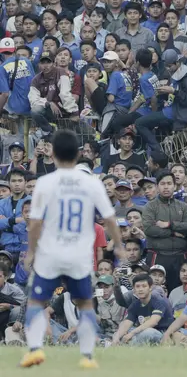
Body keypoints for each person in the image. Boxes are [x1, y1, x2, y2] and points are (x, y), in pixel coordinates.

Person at [18, 130, 124, 369]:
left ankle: (35, 350)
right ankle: (87, 356)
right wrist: (118, 245)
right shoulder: (91, 183)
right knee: (85, 303)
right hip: (79, 255)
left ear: (52, 154)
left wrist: (32, 251)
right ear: (78, 154)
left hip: (50, 253)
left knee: (36, 301)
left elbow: (35, 223)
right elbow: (109, 218)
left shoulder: (45, 182)